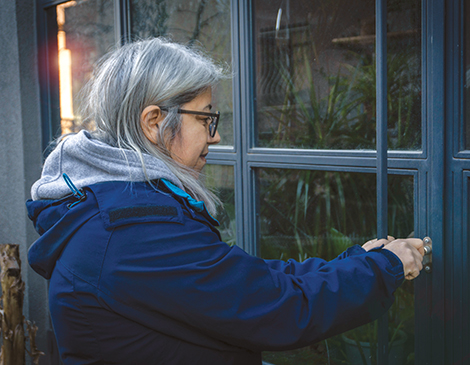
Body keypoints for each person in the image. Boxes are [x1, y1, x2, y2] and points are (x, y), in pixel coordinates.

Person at [27, 38, 424, 365]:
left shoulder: (120, 207)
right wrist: (384, 267)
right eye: (204, 119)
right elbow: (277, 310)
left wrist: (354, 261)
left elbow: (242, 280)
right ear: (153, 123)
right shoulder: (130, 229)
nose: (215, 136)